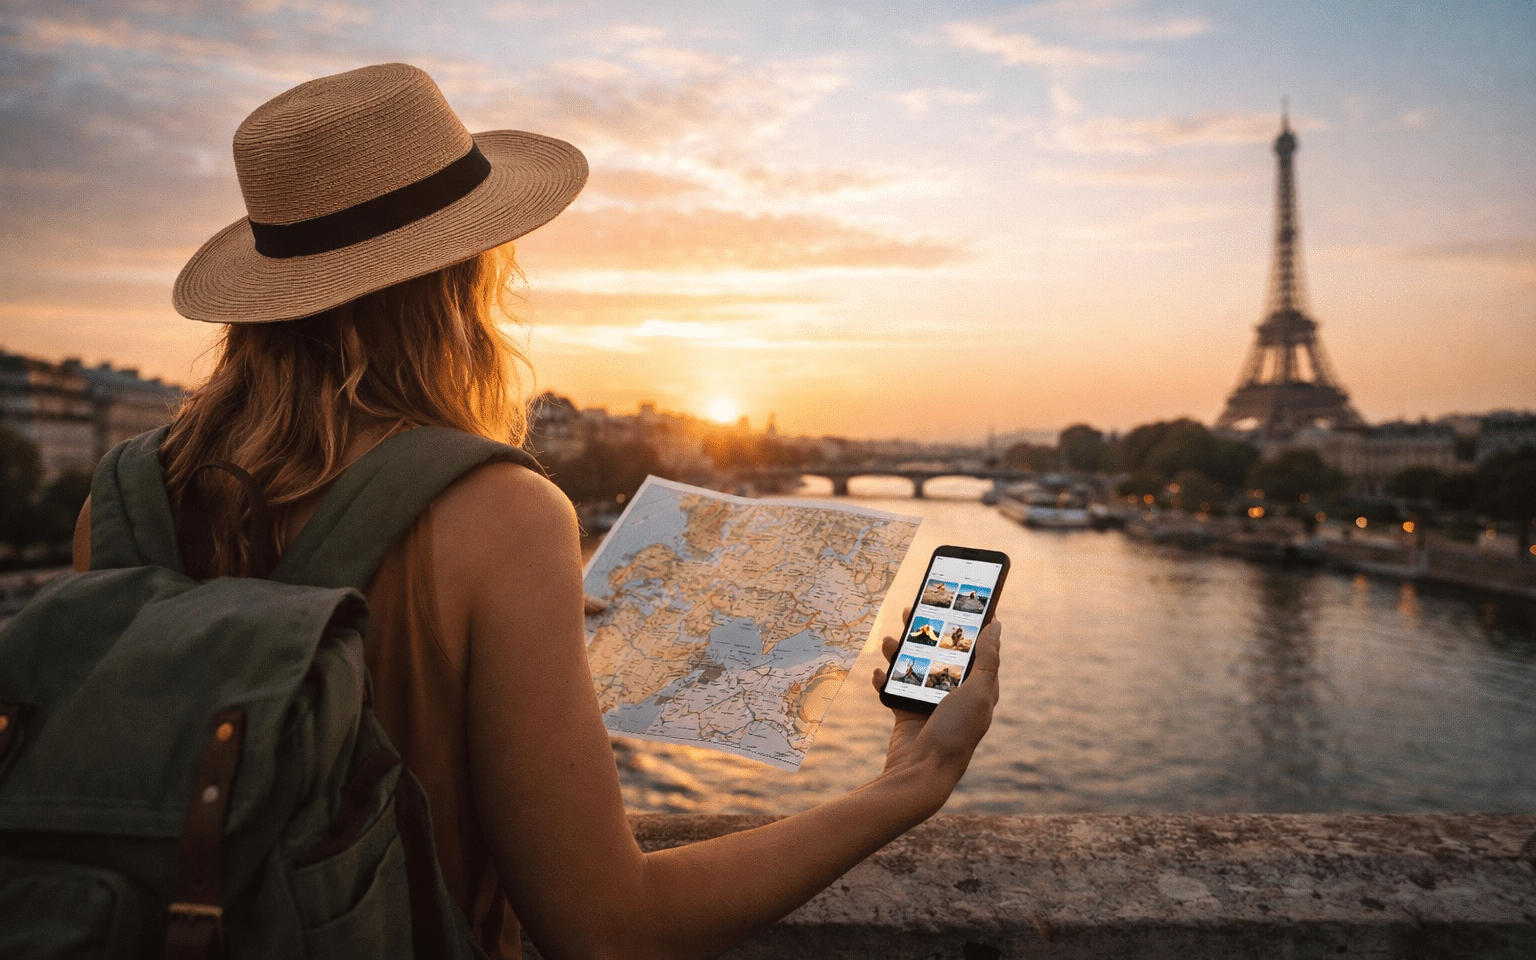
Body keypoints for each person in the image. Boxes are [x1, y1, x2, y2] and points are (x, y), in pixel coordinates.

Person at [73, 63, 1001, 960]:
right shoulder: (497, 514)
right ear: (464, 283)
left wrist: (514, 628)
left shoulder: (120, 500)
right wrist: (911, 783)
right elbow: (612, 930)